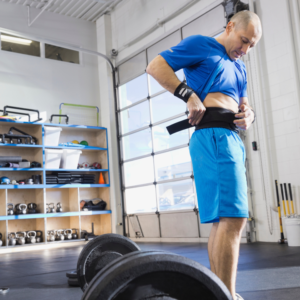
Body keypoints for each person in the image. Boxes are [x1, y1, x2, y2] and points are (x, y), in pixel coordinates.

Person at [146, 10, 262, 300]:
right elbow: (156, 66)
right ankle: (227, 296)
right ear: (230, 26)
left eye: (252, 46)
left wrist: (250, 115)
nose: (245, 50)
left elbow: (243, 105)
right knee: (233, 219)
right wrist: (188, 94)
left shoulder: (241, 68)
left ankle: (216, 293)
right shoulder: (202, 44)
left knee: (223, 220)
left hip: (230, 138)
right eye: (244, 40)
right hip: (213, 136)